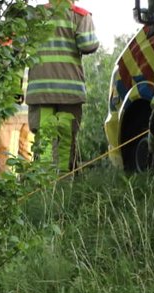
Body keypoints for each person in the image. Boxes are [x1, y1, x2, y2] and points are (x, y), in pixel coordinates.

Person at [24, 0, 99, 172]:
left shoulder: (33, 15)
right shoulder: (80, 15)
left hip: (40, 89)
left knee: (44, 138)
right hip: (69, 91)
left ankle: (43, 185)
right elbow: (88, 45)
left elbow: (20, 44)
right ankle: (64, 184)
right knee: (66, 138)